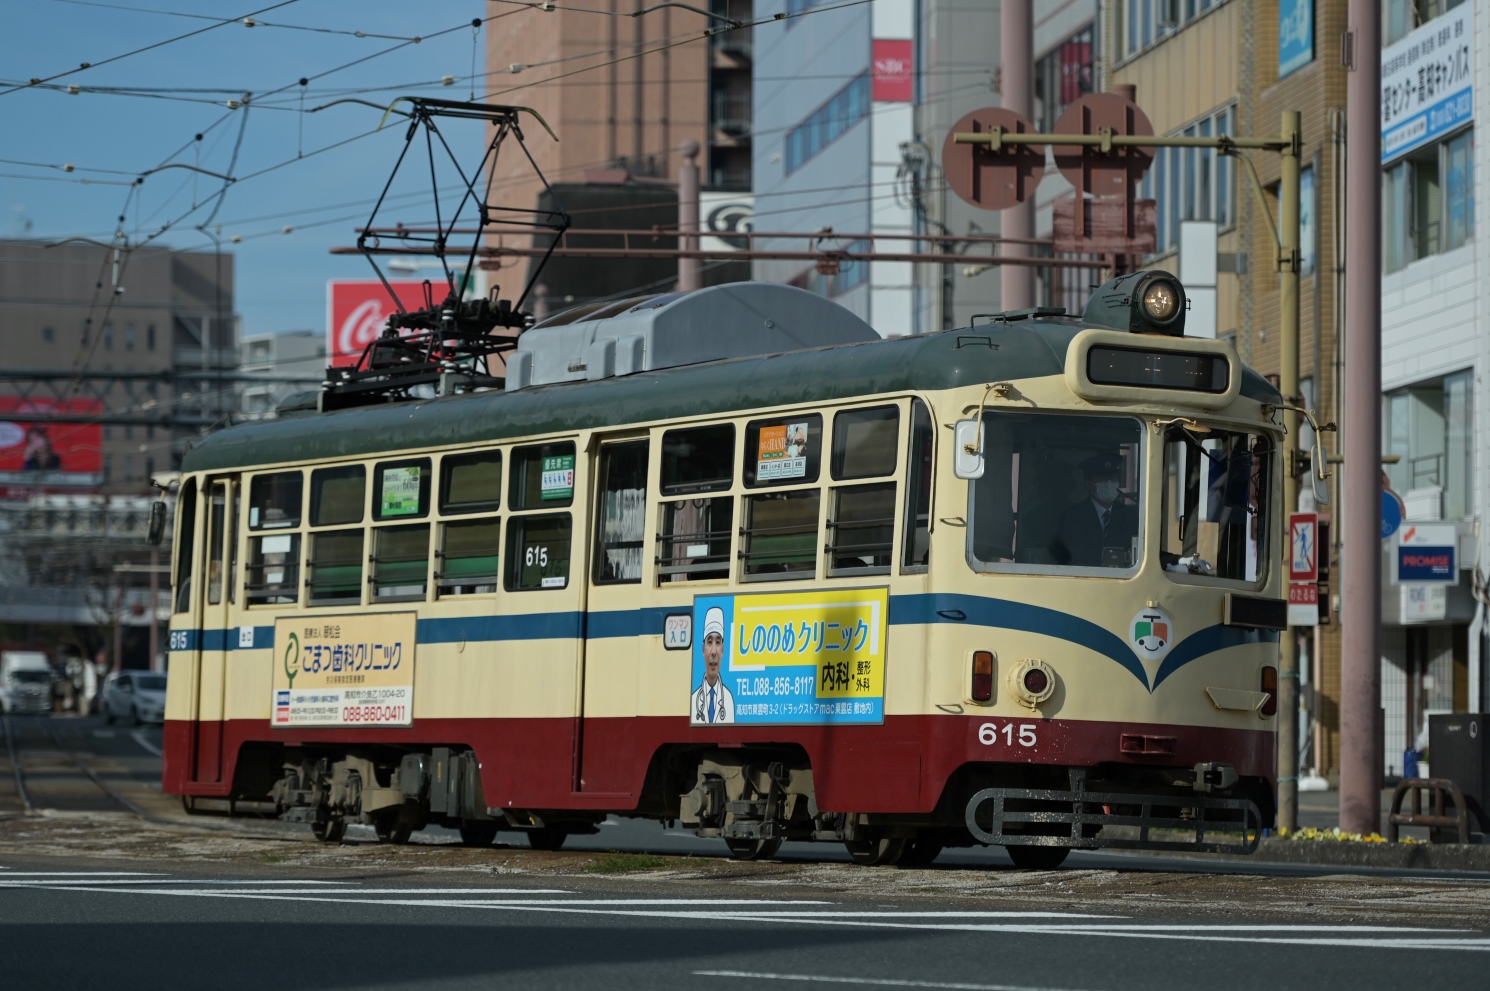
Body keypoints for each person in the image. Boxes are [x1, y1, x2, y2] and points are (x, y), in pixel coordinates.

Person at [1051, 452, 1138, 568]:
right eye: (1103, 479)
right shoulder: (1073, 517)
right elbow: (1073, 555)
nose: (1110, 483)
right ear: (1089, 484)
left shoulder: (1129, 515)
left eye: (1113, 478)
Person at [690, 606, 736, 724]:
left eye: (718, 642)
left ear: (723, 650)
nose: (714, 652)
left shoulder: (729, 700)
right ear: (703, 649)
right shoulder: (694, 699)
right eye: (709, 642)